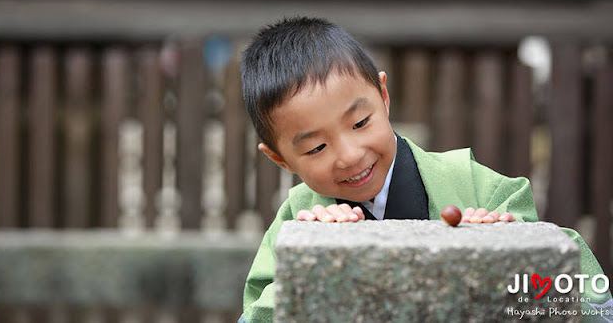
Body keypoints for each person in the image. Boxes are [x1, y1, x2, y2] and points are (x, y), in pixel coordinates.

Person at [239, 16, 611, 322]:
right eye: (316, 147)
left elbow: (588, 301)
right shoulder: (296, 224)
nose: (350, 155)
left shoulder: (482, 192)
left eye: (360, 123)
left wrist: (508, 254)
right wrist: (313, 262)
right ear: (280, 159)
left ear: (383, 97)